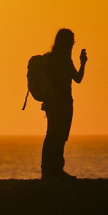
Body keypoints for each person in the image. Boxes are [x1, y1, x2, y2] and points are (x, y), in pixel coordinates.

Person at [40, 28, 87, 181]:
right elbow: (78, 78)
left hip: (52, 103)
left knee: (52, 135)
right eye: (71, 41)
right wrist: (83, 63)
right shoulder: (64, 60)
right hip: (63, 103)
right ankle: (56, 170)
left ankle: (48, 170)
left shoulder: (51, 59)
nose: (73, 45)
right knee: (59, 137)